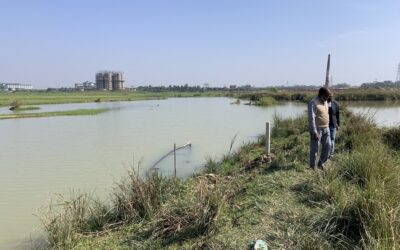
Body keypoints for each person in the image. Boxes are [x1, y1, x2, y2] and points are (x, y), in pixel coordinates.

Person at [308, 87, 331, 170]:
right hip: (317, 129)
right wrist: (314, 131)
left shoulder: (325, 102)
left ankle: (321, 163)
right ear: (321, 94)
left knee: (328, 145)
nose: (328, 97)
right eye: (327, 95)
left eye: (328, 96)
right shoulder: (313, 103)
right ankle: (312, 166)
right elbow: (311, 118)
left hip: (326, 128)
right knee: (315, 148)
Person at [327, 93, 340, 158]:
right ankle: (325, 153)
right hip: (325, 125)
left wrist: (338, 124)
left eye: (331, 96)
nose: (330, 97)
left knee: (332, 139)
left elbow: (337, 115)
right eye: (329, 96)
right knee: (326, 140)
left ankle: (331, 154)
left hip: (333, 125)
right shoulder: (323, 103)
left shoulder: (336, 104)